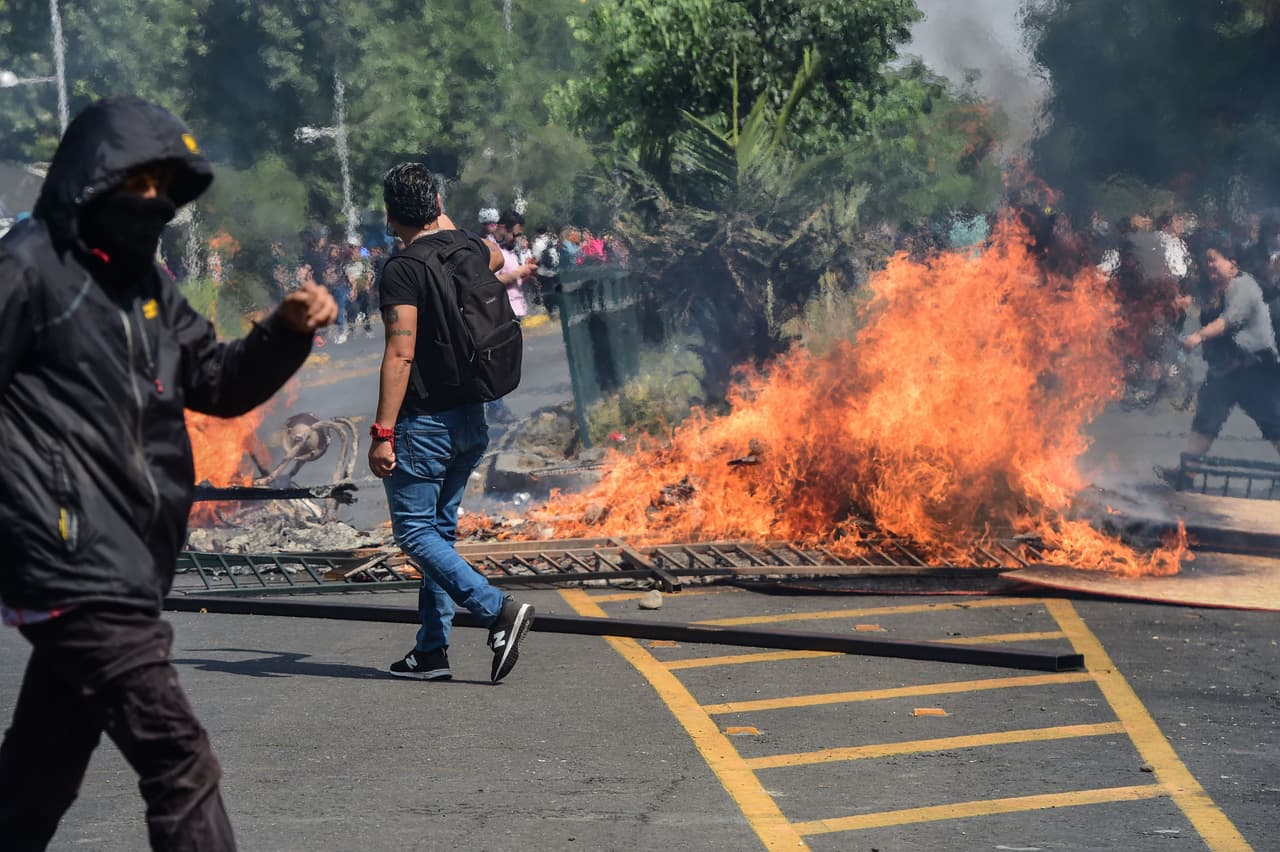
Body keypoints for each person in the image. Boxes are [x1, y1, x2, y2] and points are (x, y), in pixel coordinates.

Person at [0, 96, 337, 850]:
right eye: (135, 182)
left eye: (163, 185)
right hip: (70, 562)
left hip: (125, 558)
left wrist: (283, 333)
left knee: (38, 775)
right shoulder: (27, 268)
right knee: (180, 761)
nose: (150, 199)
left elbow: (216, 382)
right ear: (90, 181)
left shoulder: (147, 288)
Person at [370, 162, 534, 683]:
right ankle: (431, 651)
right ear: (438, 205)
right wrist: (446, 223)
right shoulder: (468, 247)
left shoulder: (401, 270)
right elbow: (495, 254)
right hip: (471, 419)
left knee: (415, 533)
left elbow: (401, 354)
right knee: (439, 535)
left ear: (390, 214)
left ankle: (496, 610)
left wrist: (382, 433)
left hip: (424, 425)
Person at [1158, 236, 1280, 486]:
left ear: (1232, 262)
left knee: (1273, 423)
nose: (1209, 266)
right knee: (1205, 419)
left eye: (1214, 261)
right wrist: (1181, 303)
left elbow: (1230, 321)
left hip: (1255, 368)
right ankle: (1186, 474)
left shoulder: (1243, 286)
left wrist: (1198, 336)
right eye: (1207, 262)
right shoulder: (1214, 289)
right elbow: (1195, 301)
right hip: (1224, 370)